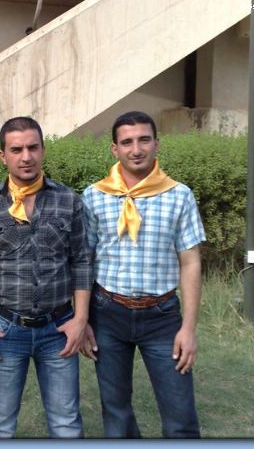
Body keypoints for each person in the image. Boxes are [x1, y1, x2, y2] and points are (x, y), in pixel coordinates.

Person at [80, 111, 206, 438]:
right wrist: (83, 319)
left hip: (162, 318)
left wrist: (188, 328)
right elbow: (84, 260)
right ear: (115, 149)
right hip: (107, 314)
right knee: (116, 412)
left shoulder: (179, 195)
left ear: (156, 144)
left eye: (144, 140)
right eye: (127, 142)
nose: (136, 149)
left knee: (180, 416)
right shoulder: (94, 196)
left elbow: (190, 262)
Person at [0, 116, 91, 438]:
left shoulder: (68, 200)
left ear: (43, 150)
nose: (26, 157)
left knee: (66, 423)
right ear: (2, 156)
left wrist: (80, 320)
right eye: (16, 149)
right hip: (5, 329)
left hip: (59, 328)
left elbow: (81, 262)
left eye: (33, 147)